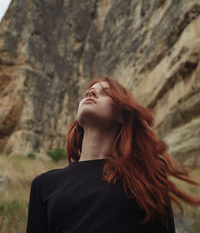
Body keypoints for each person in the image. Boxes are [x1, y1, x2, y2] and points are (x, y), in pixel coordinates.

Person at [26, 76, 200, 233]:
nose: (91, 93)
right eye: (88, 92)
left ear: (122, 116)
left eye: (105, 93)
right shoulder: (44, 185)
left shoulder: (144, 180)